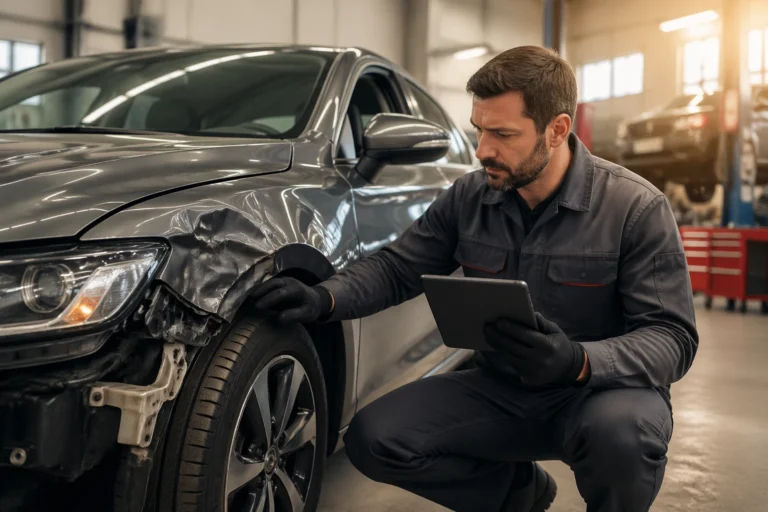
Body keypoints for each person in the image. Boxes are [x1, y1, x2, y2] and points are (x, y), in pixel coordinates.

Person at [251, 45, 698, 512]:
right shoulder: (470, 196)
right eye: (479, 130)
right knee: (375, 437)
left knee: (622, 437)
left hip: (602, 395)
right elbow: (399, 267)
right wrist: (324, 298)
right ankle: (518, 496)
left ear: (557, 130)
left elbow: (673, 338)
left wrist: (579, 361)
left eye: (503, 134)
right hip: (502, 390)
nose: (483, 150)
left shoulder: (635, 208)